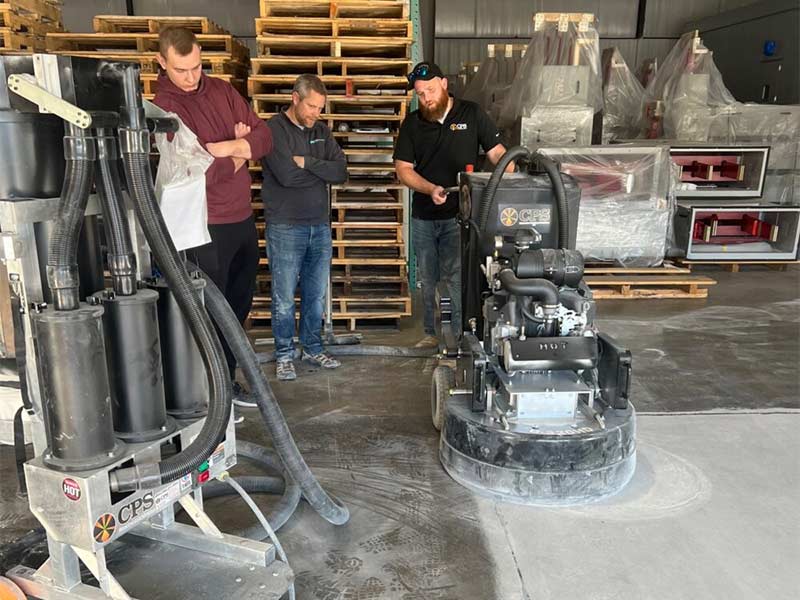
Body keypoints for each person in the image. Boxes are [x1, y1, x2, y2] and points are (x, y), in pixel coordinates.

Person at [153, 26, 272, 404]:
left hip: (240, 219)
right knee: (208, 311)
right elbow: (196, 174)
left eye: (196, 67)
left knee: (239, 303)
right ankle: (209, 391)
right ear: (161, 62)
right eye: (181, 70)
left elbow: (265, 138)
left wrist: (225, 147)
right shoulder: (165, 108)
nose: (190, 78)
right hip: (202, 226)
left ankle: (227, 380)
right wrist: (241, 150)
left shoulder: (220, 89)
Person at [393, 62, 512, 346]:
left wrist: (513, 180)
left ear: (444, 84)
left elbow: (498, 154)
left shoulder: (471, 114)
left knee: (457, 277)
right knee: (428, 278)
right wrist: (430, 188)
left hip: (462, 216)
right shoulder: (412, 124)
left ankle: (458, 337)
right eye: (420, 94)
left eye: (430, 90)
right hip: (424, 216)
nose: (426, 98)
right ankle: (431, 335)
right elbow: (403, 169)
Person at [261, 74, 348, 381]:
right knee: (284, 297)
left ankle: (312, 346)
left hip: (319, 226)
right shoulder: (273, 130)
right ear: (295, 99)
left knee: (315, 295)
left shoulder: (321, 131)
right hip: (285, 226)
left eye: (320, 108)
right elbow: (286, 175)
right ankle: (285, 353)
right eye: (311, 106)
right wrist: (319, 171)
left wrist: (309, 163)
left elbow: (341, 171)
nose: (315, 113)